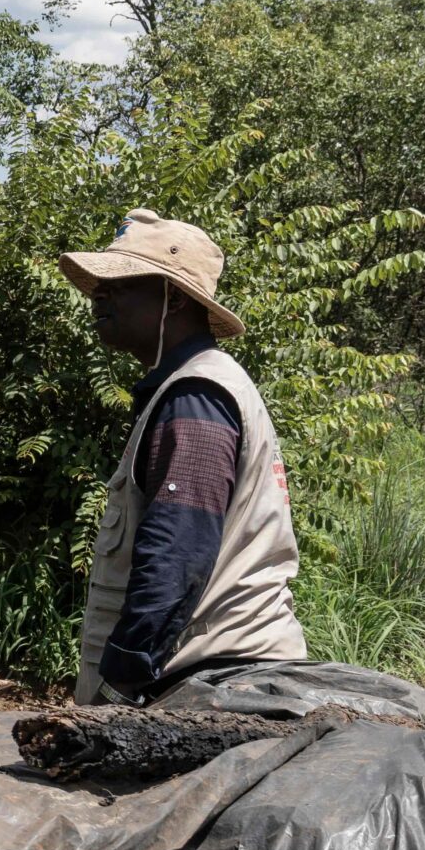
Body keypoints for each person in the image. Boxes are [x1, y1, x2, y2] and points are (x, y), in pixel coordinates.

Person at [59, 209, 306, 706]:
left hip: (205, 684)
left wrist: (119, 685)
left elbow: (177, 553)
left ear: (172, 297)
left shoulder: (195, 395)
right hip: (215, 676)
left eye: (121, 282)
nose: (99, 293)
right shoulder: (191, 386)